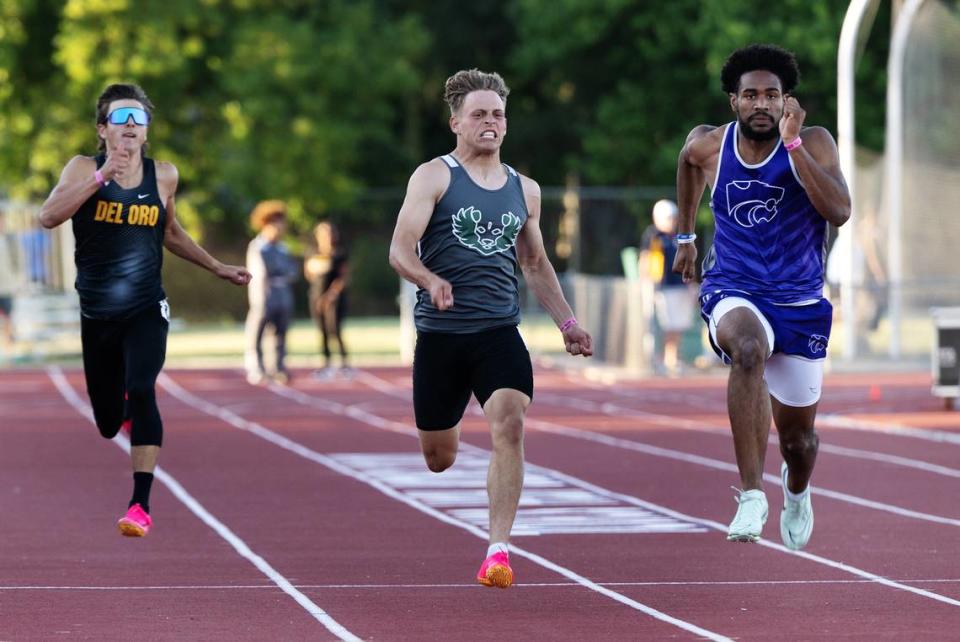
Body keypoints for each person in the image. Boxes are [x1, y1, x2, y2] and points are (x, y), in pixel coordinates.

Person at [389, 69, 593, 588]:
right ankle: (448, 427)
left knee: (510, 422)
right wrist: (429, 279)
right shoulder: (433, 177)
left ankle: (497, 550)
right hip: (440, 334)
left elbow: (535, 262)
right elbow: (399, 249)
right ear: (456, 121)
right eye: (479, 114)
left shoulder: (526, 190)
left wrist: (567, 322)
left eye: (498, 114)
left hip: (498, 331)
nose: (490, 122)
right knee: (439, 457)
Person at [39, 83, 251, 537]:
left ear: (147, 132)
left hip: (145, 306)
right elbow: (49, 216)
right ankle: (124, 414)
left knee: (143, 386)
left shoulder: (165, 176)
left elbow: (169, 233)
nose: (130, 125)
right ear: (103, 130)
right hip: (97, 314)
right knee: (107, 422)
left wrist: (217, 267)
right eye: (120, 118)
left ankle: (140, 504)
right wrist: (100, 179)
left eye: (138, 118)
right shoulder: (82, 168)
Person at [673, 44, 850, 550]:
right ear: (734, 101)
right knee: (747, 349)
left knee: (798, 442)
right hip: (734, 286)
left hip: (798, 301)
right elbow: (686, 163)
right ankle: (752, 494)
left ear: (786, 101)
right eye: (750, 95)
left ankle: (796, 490)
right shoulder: (710, 145)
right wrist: (686, 237)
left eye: (771, 95)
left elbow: (839, 211)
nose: (761, 105)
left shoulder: (813, 143)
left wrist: (793, 150)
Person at [638, 199, 698, 375]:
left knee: (678, 325)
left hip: (678, 285)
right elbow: (646, 259)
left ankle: (672, 359)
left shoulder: (680, 236)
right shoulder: (653, 235)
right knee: (662, 325)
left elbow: (687, 260)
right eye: (669, 218)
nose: (673, 221)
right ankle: (657, 359)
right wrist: (646, 282)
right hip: (661, 286)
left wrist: (691, 283)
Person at [244, 200, 298, 385]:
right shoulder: (258, 247)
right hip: (263, 295)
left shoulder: (284, 248)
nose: (279, 228)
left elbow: (292, 271)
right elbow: (264, 272)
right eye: (275, 223)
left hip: (283, 296)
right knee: (257, 334)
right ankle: (256, 369)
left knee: (280, 335)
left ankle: (278, 368)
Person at [304, 220, 350, 378]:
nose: (327, 237)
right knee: (322, 330)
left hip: (334, 299)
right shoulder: (312, 253)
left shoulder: (339, 253)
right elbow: (308, 274)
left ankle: (344, 363)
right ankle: (326, 363)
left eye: (330, 233)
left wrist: (331, 295)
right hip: (316, 297)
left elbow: (343, 277)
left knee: (335, 329)